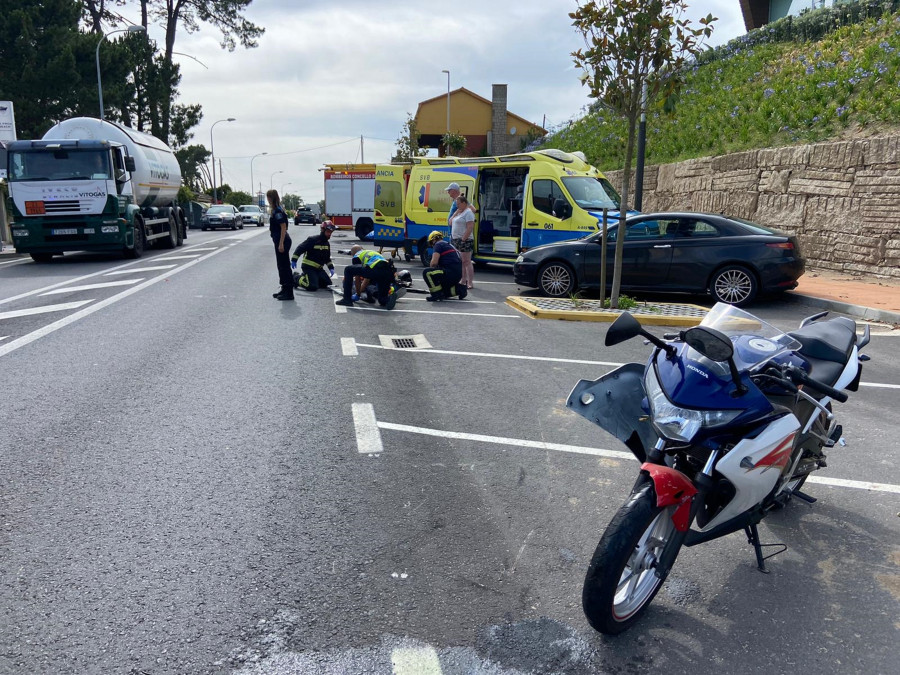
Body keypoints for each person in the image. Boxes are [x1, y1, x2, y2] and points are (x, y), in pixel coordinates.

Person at [335, 245, 400, 310]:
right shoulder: (373, 253)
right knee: (382, 300)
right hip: (388, 272)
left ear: (353, 253)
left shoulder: (357, 255)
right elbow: (367, 277)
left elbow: (358, 278)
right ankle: (387, 300)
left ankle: (347, 299)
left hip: (375, 269)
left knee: (348, 270)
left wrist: (358, 294)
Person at [291, 220, 336, 291]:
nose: (329, 234)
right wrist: (294, 260)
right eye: (328, 232)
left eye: (331, 232)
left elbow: (327, 258)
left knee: (327, 284)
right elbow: (300, 248)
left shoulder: (327, 244)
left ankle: (309, 278)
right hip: (309, 267)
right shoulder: (313, 240)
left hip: (319, 269)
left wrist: (331, 268)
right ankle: (296, 277)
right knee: (312, 286)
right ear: (322, 230)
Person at [422, 231, 467, 302]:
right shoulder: (449, 245)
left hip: (449, 272)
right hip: (457, 274)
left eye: (431, 243)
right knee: (442, 291)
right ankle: (460, 290)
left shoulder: (438, 244)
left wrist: (432, 264)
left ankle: (435, 295)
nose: (432, 245)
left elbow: (433, 263)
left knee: (427, 272)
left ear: (434, 240)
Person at [267, 189, 293, 300]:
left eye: (268, 197)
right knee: (281, 266)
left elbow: (283, 227)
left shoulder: (277, 211)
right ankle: (284, 288)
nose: (267, 200)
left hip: (282, 241)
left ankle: (289, 292)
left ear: (271, 198)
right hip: (279, 240)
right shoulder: (276, 209)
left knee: (285, 267)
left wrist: (281, 243)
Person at [450, 194, 476, 289]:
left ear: (464, 203)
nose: (457, 205)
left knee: (467, 261)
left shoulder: (468, 212)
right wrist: (456, 212)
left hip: (465, 240)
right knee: (461, 261)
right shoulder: (460, 212)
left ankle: (470, 282)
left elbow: (470, 227)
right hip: (456, 240)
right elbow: (450, 222)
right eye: (456, 204)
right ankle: (463, 279)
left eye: (459, 204)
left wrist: (463, 239)